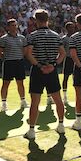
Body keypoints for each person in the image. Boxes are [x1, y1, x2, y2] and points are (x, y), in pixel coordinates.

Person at [23, 9, 66, 140]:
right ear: (48, 20)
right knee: (58, 99)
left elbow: (28, 54)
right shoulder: (56, 35)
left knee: (35, 101)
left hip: (38, 70)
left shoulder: (32, 36)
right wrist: (53, 65)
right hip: (52, 70)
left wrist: (40, 66)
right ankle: (61, 125)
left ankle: (31, 131)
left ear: (36, 20)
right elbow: (63, 53)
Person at [0, 18, 28, 111]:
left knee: (20, 83)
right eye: (12, 25)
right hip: (8, 63)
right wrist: (5, 58)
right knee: (6, 83)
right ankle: (4, 103)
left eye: (15, 25)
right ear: (8, 27)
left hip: (19, 62)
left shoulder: (22, 38)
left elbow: (25, 50)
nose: (14, 27)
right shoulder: (3, 39)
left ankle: (23, 101)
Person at [60, 21, 76, 104]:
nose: (72, 29)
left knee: (76, 78)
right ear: (67, 29)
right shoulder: (64, 39)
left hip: (76, 60)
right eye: (70, 27)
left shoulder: (76, 37)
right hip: (68, 59)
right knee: (65, 78)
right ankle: (65, 96)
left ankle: (77, 94)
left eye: (73, 27)